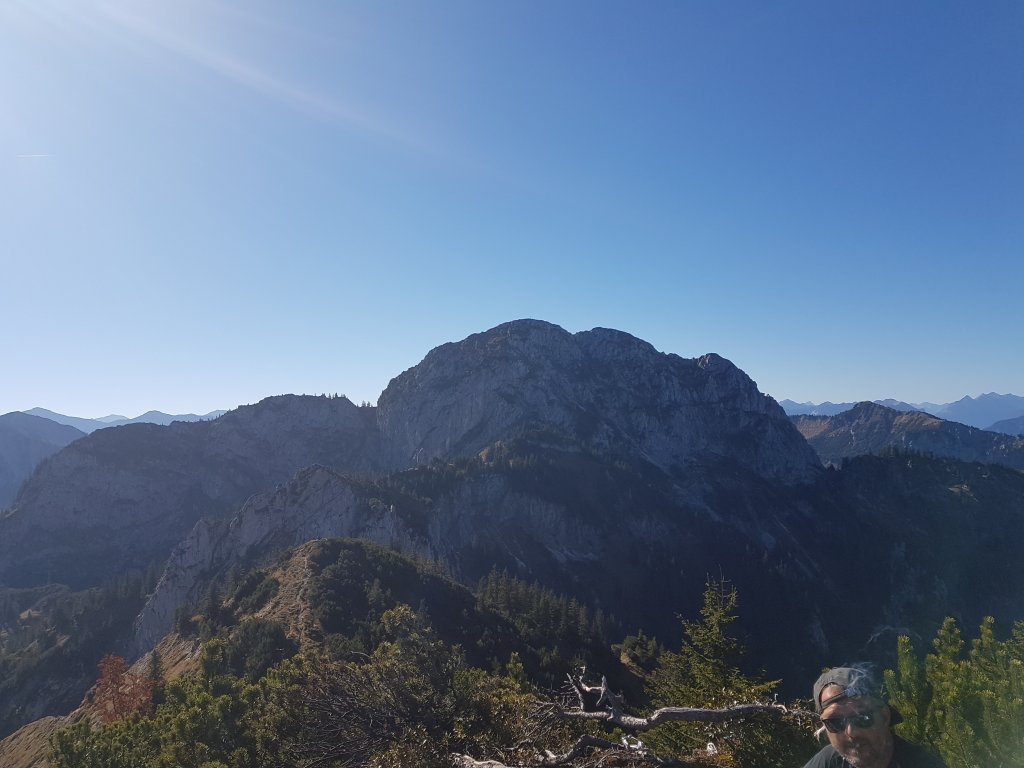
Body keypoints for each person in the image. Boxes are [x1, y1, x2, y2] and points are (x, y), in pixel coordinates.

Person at [801, 665, 947, 768]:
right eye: (835, 722)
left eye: (862, 718)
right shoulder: (827, 762)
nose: (851, 732)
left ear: (884, 716)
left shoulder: (923, 764)